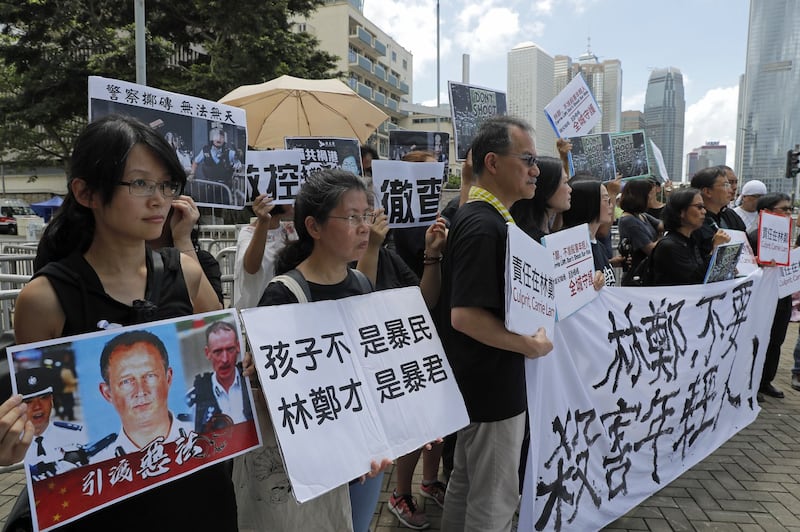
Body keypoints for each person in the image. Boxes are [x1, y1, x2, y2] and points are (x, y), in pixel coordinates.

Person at [11, 114, 235, 531]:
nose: (158, 200)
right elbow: (41, 427)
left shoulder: (184, 272)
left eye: (166, 184)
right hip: (104, 506)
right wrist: (14, 443)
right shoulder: (44, 299)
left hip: (198, 492)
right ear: (86, 192)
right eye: (140, 184)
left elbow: (226, 360)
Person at [234, 168, 391, 532]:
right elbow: (271, 395)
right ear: (314, 226)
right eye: (352, 217)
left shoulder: (362, 285)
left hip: (363, 457)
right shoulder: (283, 294)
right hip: (308, 465)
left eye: (366, 215)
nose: (364, 226)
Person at [436, 116, 553, 532]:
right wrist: (529, 346)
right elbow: (464, 316)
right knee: (495, 499)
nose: (536, 170)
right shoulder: (484, 225)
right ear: (493, 162)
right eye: (527, 159)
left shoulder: (484, 218)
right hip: (492, 385)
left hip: (480, 383)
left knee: (466, 485)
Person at [95, 330, 192, 458]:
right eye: (126, 381)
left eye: (150, 376)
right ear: (107, 393)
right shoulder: (98, 464)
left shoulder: (201, 431)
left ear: (168, 378)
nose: (140, 391)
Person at [747, 193, 793, 400]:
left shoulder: (785, 237)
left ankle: (766, 381)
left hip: (782, 295)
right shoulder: (755, 236)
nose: (788, 214)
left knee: (776, 340)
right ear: (766, 212)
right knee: (759, 340)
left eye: (789, 210)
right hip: (761, 297)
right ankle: (751, 383)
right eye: (783, 209)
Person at [16, 367, 88, 478]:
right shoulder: (13, 443)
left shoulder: (77, 435)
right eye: (28, 401)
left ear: (52, 400)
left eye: (43, 398)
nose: (37, 407)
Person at [650, 188, 730, 286]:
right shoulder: (669, 246)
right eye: (699, 207)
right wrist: (716, 249)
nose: (704, 211)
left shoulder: (691, 240)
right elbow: (694, 280)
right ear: (681, 212)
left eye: (704, 207)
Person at [233, 193, 295, 309]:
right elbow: (251, 268)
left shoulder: (290, 229)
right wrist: (263, 221)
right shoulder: (247, 233)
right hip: (256, 313)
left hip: (286, 311)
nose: (293, 199)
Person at [189, 320, 253, 433]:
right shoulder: (196, 399)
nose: (225, 359)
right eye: (217, 352)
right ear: (207, 353)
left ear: (238, 347)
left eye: (230, 349)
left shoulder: (251, 380)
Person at [562, 179, 617, 286]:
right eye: (606, 199)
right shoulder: (573, 251)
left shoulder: (599, 246)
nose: (611, 206)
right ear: (590, 204)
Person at [509, 155, 572, 243]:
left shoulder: (547, 234)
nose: (570, 189)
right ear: (547, 186)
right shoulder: (530, 242)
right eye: (565, 182)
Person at [690, 166, 746, 256]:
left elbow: (746, 246)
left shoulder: (730, 215)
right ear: (707, 192)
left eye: (735, 183)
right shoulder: (692, 222)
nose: (731, 189)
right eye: (726, 185)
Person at [617, 179, 663, 286]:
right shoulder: (629, 220)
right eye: (650, 194)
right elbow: (651, 249)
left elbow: (662, 226)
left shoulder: (642, 215)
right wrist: (662, 237)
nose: (653, 197)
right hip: (637, 277)